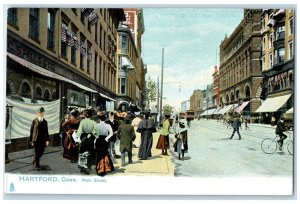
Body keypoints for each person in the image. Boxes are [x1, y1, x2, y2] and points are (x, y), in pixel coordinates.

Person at [76, 108, 98, 174]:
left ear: (85, 115)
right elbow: (96, 132)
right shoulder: (93, 122)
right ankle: (88, 166)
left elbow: (79, 132)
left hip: (83, 138)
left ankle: (82, 167)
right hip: (90, 139)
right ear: (90, 115)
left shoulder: (82, 122)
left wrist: (78, 139)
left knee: (82, 152)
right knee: (89, 152)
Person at [95, 111, 115, 176]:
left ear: (99, 118)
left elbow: (94, 134)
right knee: (105, 153)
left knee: (99, 154)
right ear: (105, 118)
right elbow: (111, 133)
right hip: (105, 140)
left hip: (98, 140)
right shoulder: (108, 125)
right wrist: (106, 138)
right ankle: (106, 167)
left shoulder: (96, 125)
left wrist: (95, 139)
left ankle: (100, 168)